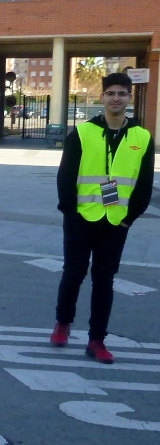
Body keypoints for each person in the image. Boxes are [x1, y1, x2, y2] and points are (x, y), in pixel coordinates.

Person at [50, 72, 155, 364]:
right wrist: (71, 213)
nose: (116, 98)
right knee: (73, 273)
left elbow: (144, 184)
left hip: (116, 222)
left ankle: (97, 340)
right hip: (81, 219)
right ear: (102, 97)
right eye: (111, 93)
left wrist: (128, 219)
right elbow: (65, 177)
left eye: (121, 93)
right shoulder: (83, 132)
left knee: (104, 281)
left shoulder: (142, 137)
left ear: (129, 98)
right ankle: (62, 323)